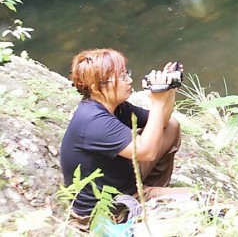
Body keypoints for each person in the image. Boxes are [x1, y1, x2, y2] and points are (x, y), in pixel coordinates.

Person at [60, 48, 187, 225]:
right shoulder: (94, 121)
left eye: (126, 73)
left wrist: (169, 89)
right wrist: (157, 102)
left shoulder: (116, 106)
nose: (130, 80)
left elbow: (162, 122)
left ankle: (153, 189)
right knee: (203, 199)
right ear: (97, 87)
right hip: (110, 207)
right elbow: (147, 152)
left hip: (124, 180)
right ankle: (148, 201)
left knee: (171, 126)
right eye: (122, 77)